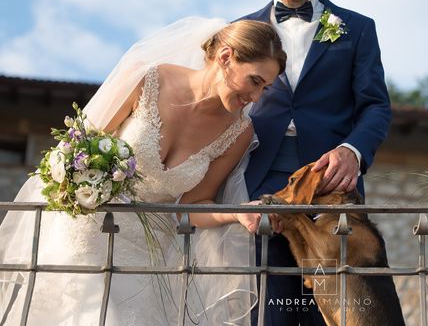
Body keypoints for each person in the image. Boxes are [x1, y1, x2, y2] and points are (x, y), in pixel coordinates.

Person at [0, 18, 286, 325]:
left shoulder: (239, 132)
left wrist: (238, 213)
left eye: (265, 88)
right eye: (255, 81)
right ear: (226, 57)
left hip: (148, 259)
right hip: (84, 235)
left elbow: (190, 208)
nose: (256, 98)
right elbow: (77, 149)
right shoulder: (147, 79)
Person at [239, 0, 392, 325]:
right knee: (271, 313)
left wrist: (352, 151)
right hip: (260, 186)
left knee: (348, 314)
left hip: (333, 189)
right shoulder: (239, 31)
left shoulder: (358, 29)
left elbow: (376, 106)